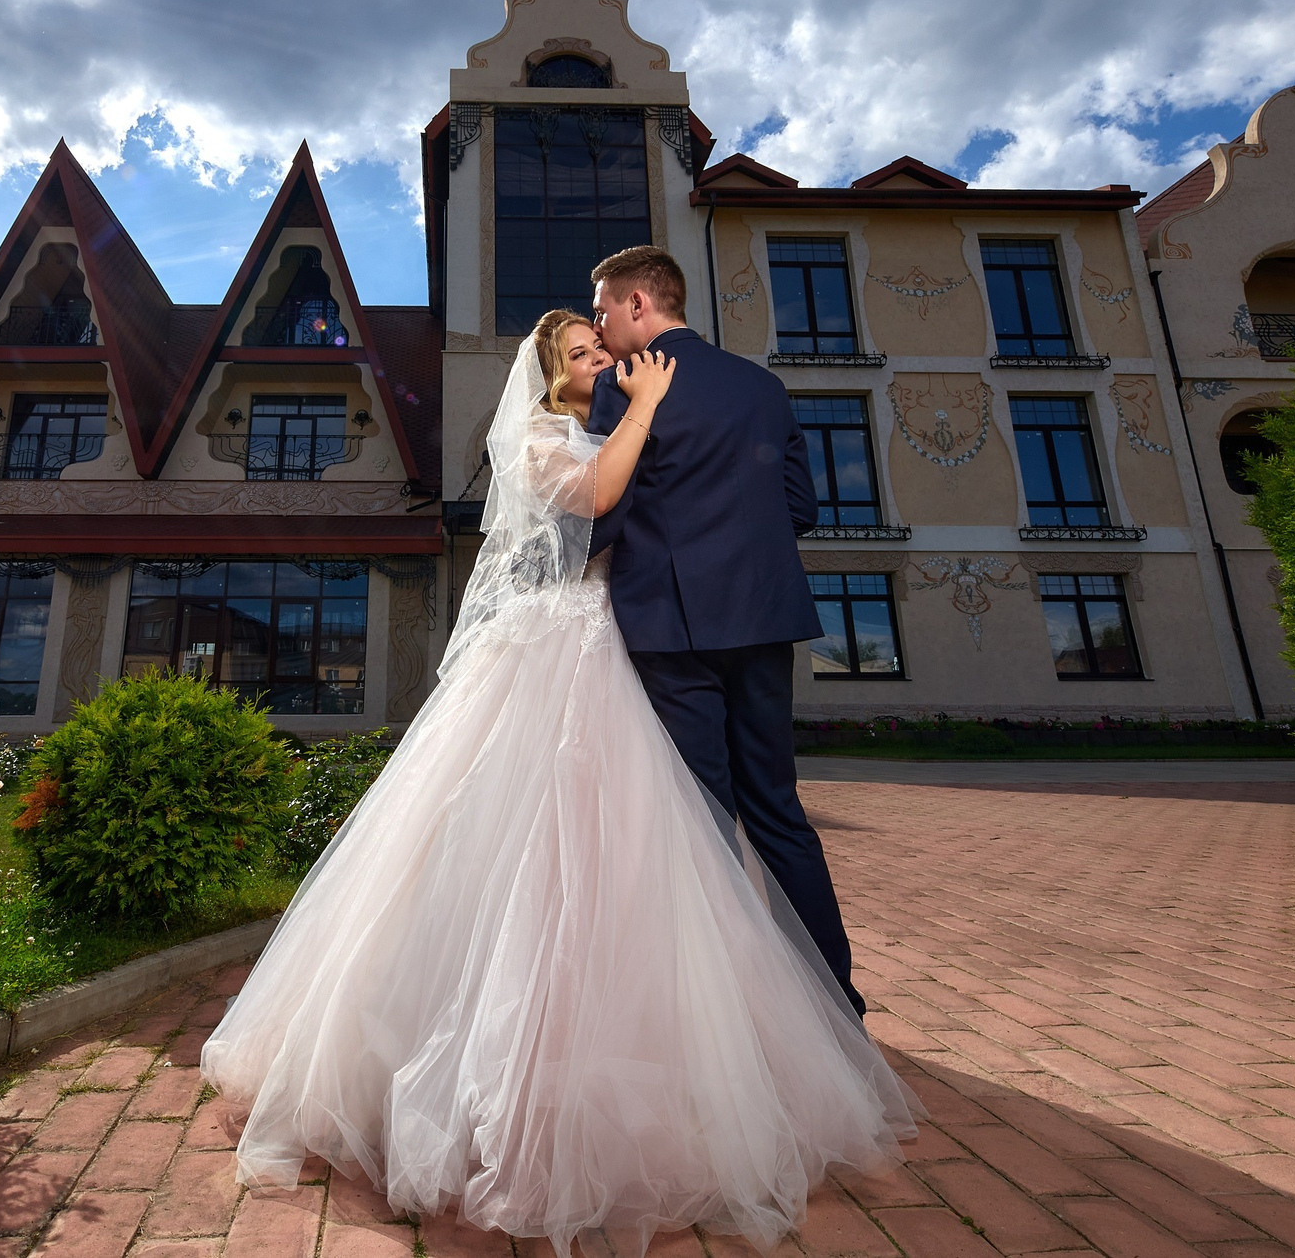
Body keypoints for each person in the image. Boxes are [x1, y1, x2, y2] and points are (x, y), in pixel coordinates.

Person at [201, 311, 914, 1258]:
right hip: (548, 648)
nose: (604, 360)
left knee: (628, 855)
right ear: (550, 377)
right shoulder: (544, 437)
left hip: (615, 646)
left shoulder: (611, 417)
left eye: (602, 348)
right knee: (521, 850)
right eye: (584, 353)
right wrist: (649, 406)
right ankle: (485, 1066)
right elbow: (596, 495)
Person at [584, 244, 867, 1013]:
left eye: (606, 307)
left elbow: (611, 506)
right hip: (765, 619)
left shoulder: (624, 385)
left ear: (642, 304)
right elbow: (800, 508)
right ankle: (833, 1002)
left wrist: (560, 570)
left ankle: (722, 1015)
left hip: (674, 629)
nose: (602, 324)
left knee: (702, 817)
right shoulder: (763, 386)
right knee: (778, 809)